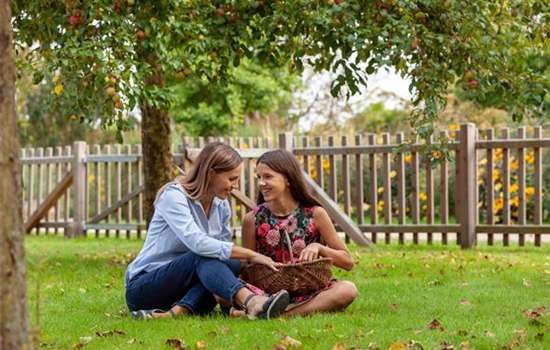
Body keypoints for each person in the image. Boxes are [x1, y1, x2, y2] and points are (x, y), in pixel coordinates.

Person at [125, 142, 289, 320]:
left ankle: (175, 313)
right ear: (211, 174)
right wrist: (251, 255)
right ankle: (251, 301)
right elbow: (198, 244)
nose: (235, 186)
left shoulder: (221, 205)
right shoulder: (174, 196)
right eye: (231, 179)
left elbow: (221, 256)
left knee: (231, 264)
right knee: (201, 254)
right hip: (145, 288)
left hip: (184, 289)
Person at [241, 149, 357, 316]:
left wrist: (319, 247)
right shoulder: (252, 219)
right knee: (222, 293)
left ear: (288, 178)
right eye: (259, 177)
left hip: (309, 291)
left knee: (348, 290)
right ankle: (269, 308)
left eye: (268, 176)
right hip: (266, 294)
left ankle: (281, 314)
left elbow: (348, 262)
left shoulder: (315, 214)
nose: (261, 183)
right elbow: (247, 268)